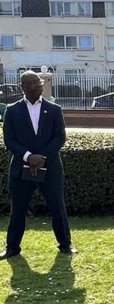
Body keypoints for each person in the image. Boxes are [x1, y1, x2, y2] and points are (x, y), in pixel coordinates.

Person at [1, 71, 76, 260]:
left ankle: (65, 245)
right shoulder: (12, 110)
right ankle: (12, 248)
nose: (38, 85)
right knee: (18, 209)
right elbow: (9, 140)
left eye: (39, 82)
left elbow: (60, 137)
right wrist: (28, 157)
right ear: (23, 87)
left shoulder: (54, 109)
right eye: (33, 83)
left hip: (50, 167)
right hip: (21, 168)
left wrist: (40, 157)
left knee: (57, 206)